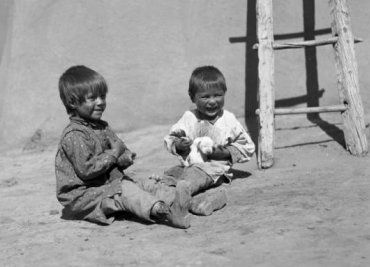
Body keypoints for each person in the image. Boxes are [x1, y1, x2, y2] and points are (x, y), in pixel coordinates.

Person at [55, 65, 192, 229]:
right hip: (85, 196)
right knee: (126, 191)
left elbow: (119, 149)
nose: (100, 102)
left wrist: (124, 157)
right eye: (92, 98)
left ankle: (188, 202)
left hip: (107, 185)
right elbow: (87, 169)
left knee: (143, 184)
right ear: (73, 102)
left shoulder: (102, 126)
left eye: (103, 96)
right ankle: (166, 212)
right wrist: (114, 153)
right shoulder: (74, 135)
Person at [161, 65, 255, 216]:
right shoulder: (189, 118)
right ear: (192, 97)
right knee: (170, 175)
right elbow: (170, 138)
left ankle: (176, 202)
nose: (212, 101)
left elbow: (248, 147)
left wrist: (224, 152)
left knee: (191, 178)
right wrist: (179, 145)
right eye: (205, 97)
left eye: (217, 95)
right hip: (190, 166)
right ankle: (196, 201)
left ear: (224, 93)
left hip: (215, 169)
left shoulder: (228, 120)